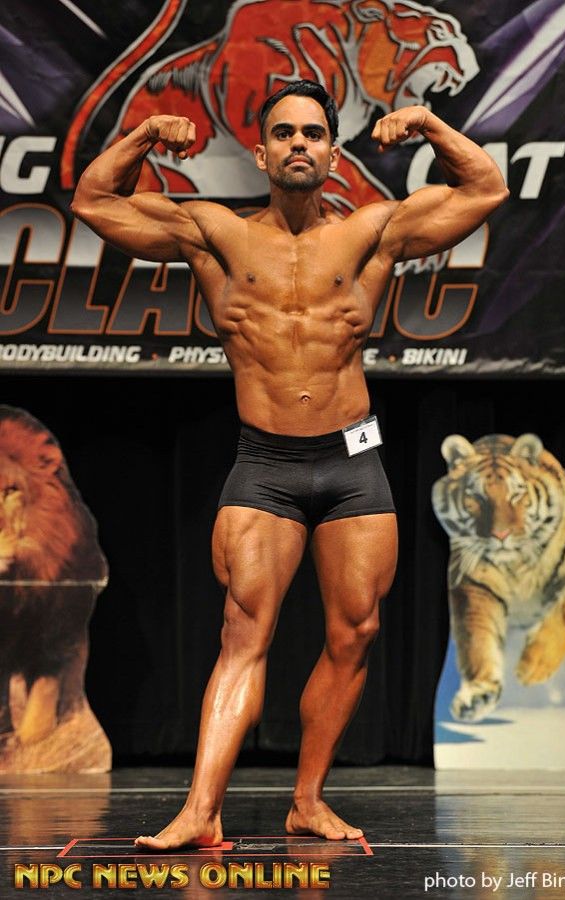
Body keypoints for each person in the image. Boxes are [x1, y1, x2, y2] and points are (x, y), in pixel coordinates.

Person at [71, 80, 508, 850]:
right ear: (261, 152)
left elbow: (486, 188)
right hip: (265, 465)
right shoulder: (214, 234)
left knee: (357, 631)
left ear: (333, 153)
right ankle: (200, 812)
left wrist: (428, 121)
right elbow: (93, 201)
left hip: (352, 464)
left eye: (312, 133)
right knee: (243, 631)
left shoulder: (373, 232)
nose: (299, 143)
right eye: (284, 133)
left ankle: (307, 800)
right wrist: (145, 133)